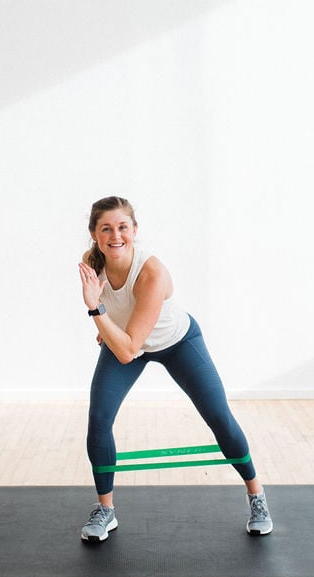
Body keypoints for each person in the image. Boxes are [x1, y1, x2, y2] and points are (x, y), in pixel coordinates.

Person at [76, 195, 272, 542]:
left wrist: (97, 314)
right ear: (94, 234)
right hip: (126, 343)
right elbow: (112, 314)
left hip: (177, 344)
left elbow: (128, 349)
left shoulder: (151, 272)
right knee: (99, 419)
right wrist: (103, 326)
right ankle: (105, 510)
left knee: (219, 417)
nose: (115, 235)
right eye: (106, 228)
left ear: (135, 230)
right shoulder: (92, 265)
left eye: (123, 227)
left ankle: (256, 494)